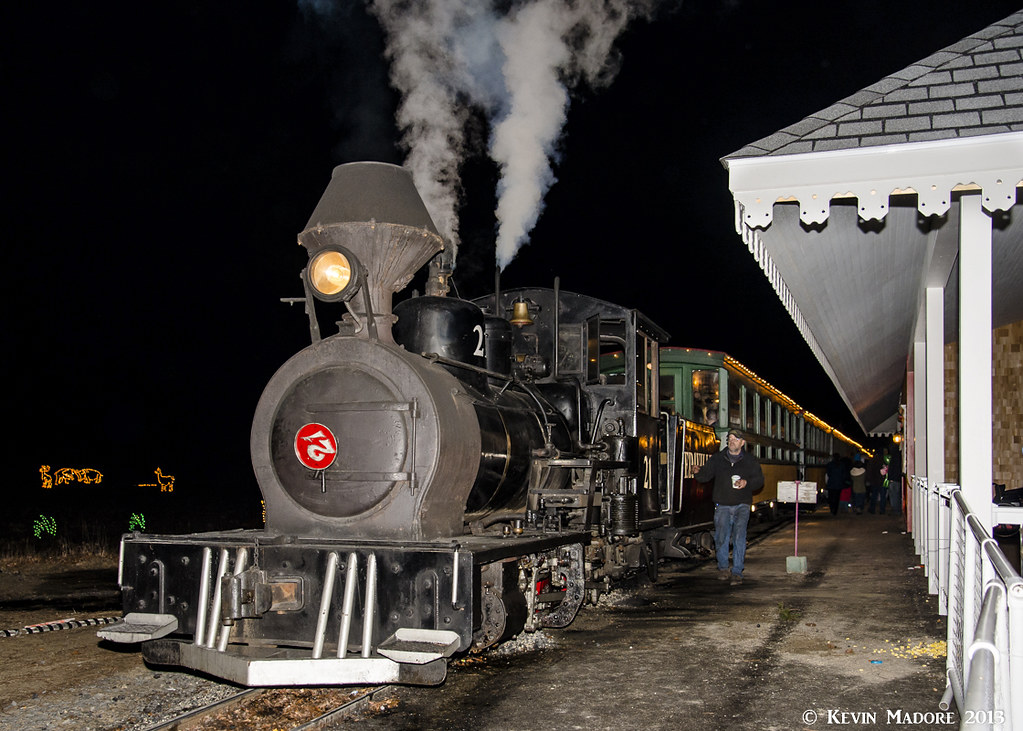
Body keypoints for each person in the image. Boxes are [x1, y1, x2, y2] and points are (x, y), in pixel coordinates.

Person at [696, 429, 765, 586]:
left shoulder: (750, 461)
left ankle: (737, 572)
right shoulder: (718, 459)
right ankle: (723, 568)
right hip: (723, 505)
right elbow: (705, 475)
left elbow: (759, 480)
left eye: (736, 439)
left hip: (742, 504)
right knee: (721, 537)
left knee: (739, 537)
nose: (732, 441)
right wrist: (697, 472)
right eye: (730, 438)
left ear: (742, 443)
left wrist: (747, 483)